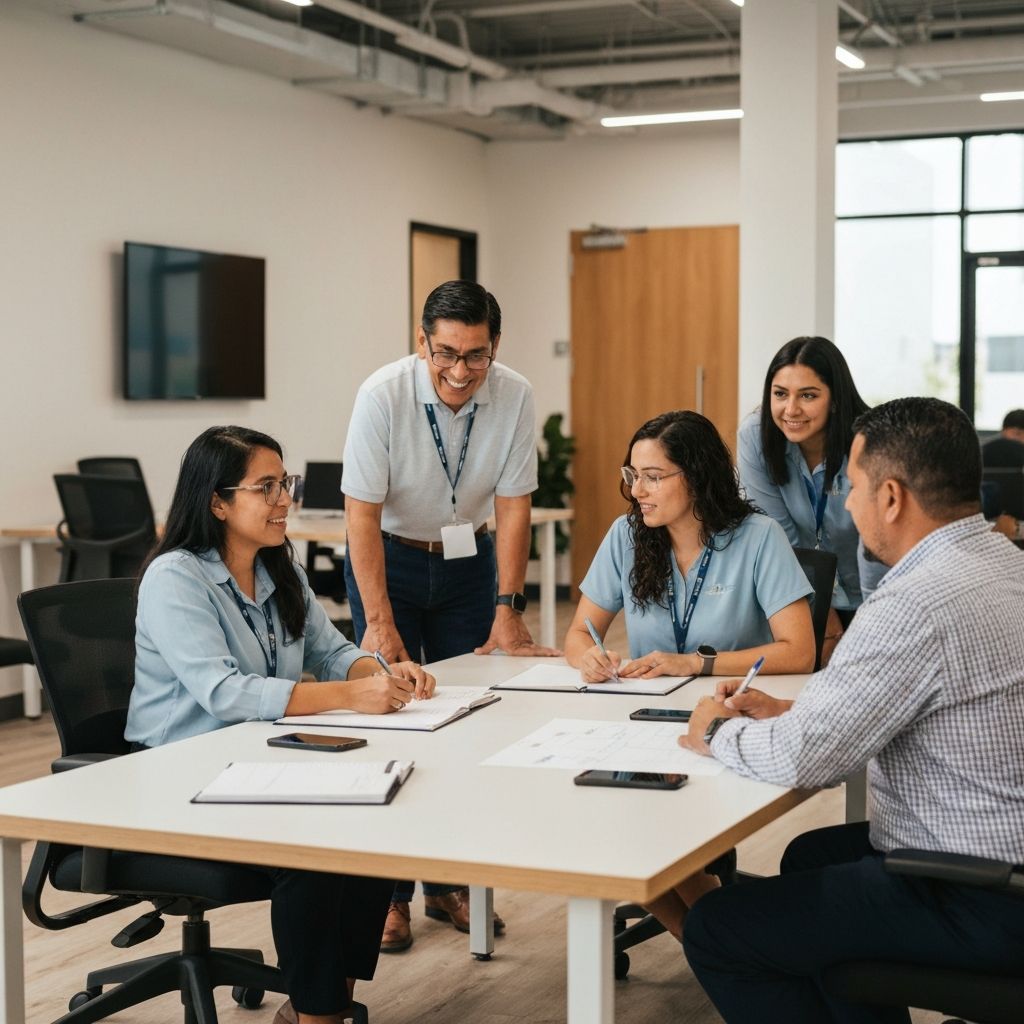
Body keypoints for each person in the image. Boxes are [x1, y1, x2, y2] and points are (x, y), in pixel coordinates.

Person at [681, 397, 1024, 1024]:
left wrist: (717, 730)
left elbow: (810, 761)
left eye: (855, 487)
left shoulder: (916, 601)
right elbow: (917, 698)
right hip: (1001, 860)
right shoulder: (1002, 562)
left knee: (717, 927)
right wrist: (789, 710)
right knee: (811, 858)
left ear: (891, 497)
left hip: (982, 896)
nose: (846, 502)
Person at [127, 425, 435, 1024]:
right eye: (265, 487)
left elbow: (332, 649)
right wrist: (348, 694)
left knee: (383, 817)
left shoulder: (277, 568)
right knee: (312, 847)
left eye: (284, 483)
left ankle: (324, 1002)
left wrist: (384, 670)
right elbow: (223, 693)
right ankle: (319, 1016)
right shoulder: (176, 578)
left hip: (259, 759)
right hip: (178, 775)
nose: (283, 499)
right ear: (217, 501)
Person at [342, 279, 557, 950]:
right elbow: (362, 517)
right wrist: (379, 621)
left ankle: (448, 883)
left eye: (476, 355)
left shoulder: (515, 394)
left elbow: (515, 502)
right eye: (445, 354)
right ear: (421, 343)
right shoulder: (381, 396)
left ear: (496, 347)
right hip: (393, 562)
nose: (460, 372)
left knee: (469, 720)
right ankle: (388, 897)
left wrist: (508, 607)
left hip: (469, 564)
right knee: (392, 723)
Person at [564, 409, 816, 940]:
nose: (638, 491)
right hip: (643, 720)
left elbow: (800, 651)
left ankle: (715, 939)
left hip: (724, 719)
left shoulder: (757, 537)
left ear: (697, 477)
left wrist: (695, 664)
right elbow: (579, 632)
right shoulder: (626, 536)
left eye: (654, 477)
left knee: (637, 831)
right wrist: (588, 654)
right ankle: (717, 940)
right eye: (633, 476)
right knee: (609, 815)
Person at [737, 336, 882, 658]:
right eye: (780, 394)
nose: (791, 410)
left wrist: (873, 618)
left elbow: (878, 541)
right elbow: (775, 531)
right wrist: (822, 610)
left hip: (874, 590)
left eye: (808, 396)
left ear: (834, 398)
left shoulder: (870, 442)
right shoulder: (756, 436)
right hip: (800, 589)